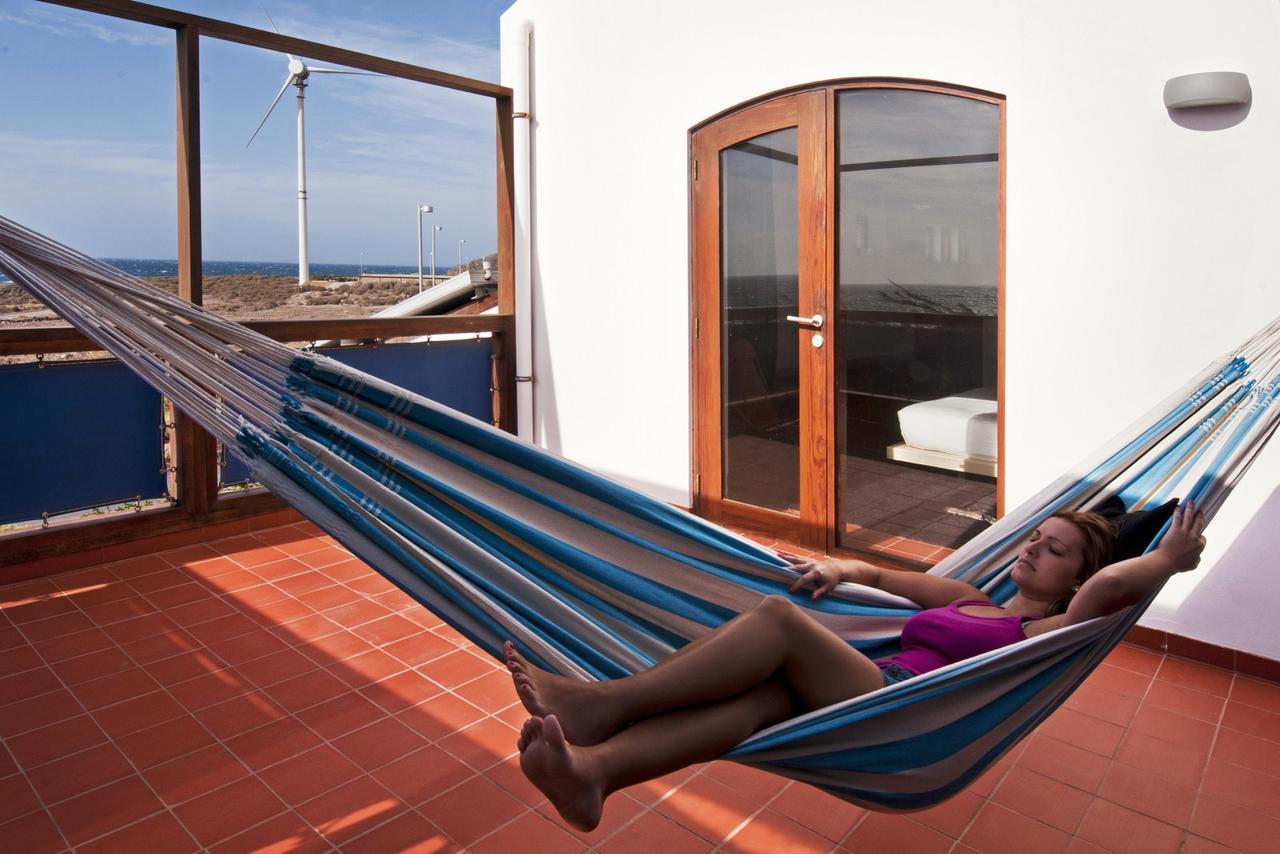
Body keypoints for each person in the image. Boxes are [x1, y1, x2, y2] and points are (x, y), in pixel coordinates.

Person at [505, 500, 1207, 831]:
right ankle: (595, 776)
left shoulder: (1048, 629)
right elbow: (884, 575)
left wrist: (1168, 561)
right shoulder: (971, 596)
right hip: (857, 694)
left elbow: (1111, 590)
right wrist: (842, 565)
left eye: (1055, 552)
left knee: (778, 622)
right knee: (753, 706)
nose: (1031, 551)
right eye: (1035, 538)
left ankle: (609, 704)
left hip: (899, 710)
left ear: (1072, 578)